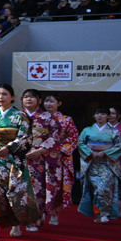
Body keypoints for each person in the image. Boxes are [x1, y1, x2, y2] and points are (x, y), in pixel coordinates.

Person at [0, 84, 39, 238]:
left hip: (13, 160)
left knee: (14, 192)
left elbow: (25, 136)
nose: (1, 97)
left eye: (5, 94)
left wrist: (9, 147)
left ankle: (15, 224)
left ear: (12, 97)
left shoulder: (20, 116)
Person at [78, 106, 121, 223]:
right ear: (94, 116)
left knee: (103, 188)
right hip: (92, 163)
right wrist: (90, 153)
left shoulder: (114, 132)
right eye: (98, 114)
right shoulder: (87, 130)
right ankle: (99, 213)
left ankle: (104, 212)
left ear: (108, 116)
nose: (100, 116)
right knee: (95, 189)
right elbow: (80, 143)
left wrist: (105, 152)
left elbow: (119, 145)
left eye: (103, 114)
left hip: (106, 164)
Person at [42, 93, 79, 226]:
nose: (49, 104)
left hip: (57, 157)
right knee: (39, 184)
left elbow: (73, 137)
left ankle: (54, 214)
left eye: (52, 101)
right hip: (39, 156)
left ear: (59, 103)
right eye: (46, 101)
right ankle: (40, 213)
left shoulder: (66, 119)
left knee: (55, 185)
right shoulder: (38, 118)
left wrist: (59, 149)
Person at [21, 89, 53, 232]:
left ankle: (34, 219)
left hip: (38, 158)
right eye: (26, 97)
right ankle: (19, 219)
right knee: (18, 188)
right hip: (18, 156)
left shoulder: (48, 117)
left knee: (36, 189)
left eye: (32, 97)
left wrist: (40, 151)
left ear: (39, 100)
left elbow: (55, 137)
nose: (28, 100)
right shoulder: (16, 116)